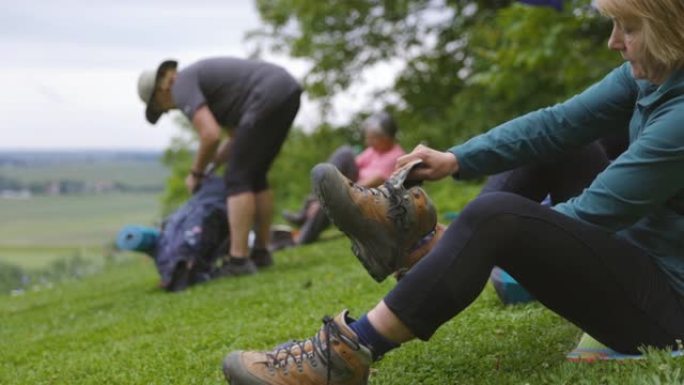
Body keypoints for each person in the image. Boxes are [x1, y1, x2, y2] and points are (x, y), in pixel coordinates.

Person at [221, 0, 684, 383]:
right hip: (640, 251)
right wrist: (455, 158)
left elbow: (591, 215)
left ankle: (347, 352)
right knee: (553, 148)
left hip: (664, 310)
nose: (614, 42)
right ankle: (424, 244)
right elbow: (557, 124)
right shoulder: (655, 71)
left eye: (629, 28)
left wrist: (466, 241)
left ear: (670, 26)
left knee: (497, 218)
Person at [137, 57, 301, 277]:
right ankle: (261, 253)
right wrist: (213, 165)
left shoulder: (181, 85)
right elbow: (236, 139)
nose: (168, 111)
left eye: (160, 108)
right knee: (256, 176)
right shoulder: (206, 86)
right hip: (286, 90)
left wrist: (196, 173)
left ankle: (239, 260)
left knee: (236, 179)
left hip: (266, 94)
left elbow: (210, 135)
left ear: (161, 90)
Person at [282, 111, 405, 245]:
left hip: (367, 197)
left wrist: (334, 189)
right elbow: (349, 165)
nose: (367, 142)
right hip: (354, 187)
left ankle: (304, 233)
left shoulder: (395, 157)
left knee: (333, 193)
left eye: (372, 138)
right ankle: (316, 199)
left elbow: (366, 185)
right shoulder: (374, 151)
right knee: (344, 154)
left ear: (385, 138)